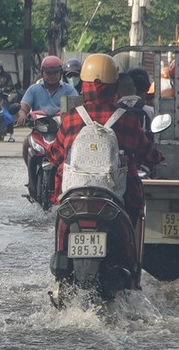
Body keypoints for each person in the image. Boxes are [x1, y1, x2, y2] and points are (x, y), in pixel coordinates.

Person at [50, 53, 163, 223]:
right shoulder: (126, 119)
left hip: (73, 192)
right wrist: (156, 157)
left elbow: (56, 154)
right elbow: (144, 150)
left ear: (84, 86)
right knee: (135, 206)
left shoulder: (71, 118)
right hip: (116, 193)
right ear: (114, 86)